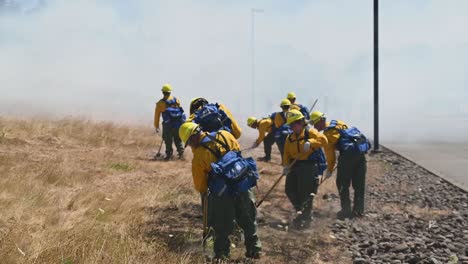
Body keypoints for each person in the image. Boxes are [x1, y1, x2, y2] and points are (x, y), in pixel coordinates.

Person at [178, 122, 262, 260]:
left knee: (222, 226)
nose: (191, 146)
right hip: (243, 184)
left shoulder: (199, 155)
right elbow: (237, 153)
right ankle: (255, 250)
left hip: (223, 194)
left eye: (189, 143)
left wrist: (206, 194)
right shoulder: (225, 135)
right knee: (248, 220)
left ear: (192, 138)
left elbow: (200, 185)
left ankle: (222, 256)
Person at [310, 111, 371, 219]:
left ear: (321, 121)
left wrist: (329, 170)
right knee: (359, 184)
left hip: (347, 157)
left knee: (342, 183)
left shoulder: (327, 135)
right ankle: (358, 211)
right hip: (360, 155)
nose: (314, 127)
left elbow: (331, 156)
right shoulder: (338, 123)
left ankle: (346, 210)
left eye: (315, 124)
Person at [282, 110, 328, 228]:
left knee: (305, 193)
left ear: (301, 122)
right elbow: (286, 153)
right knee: (289, 189)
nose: (293, 127)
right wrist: (286, 166)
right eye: (291, 125)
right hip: (294, 166)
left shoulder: (310, 132)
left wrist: (310, 142)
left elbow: (324, 140)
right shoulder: (290, 137)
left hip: (308, 166)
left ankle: (306, 217)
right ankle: (300, 211)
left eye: (294, 124)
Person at [153, 84, 186, 160]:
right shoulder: (176, 100)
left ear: (163, 92)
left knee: (168, 141)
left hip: (167, 125)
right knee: (178, 139)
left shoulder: (160, 103)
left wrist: (156, 126)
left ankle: (169, 156)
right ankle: (181, 154)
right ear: (170, 92)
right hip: (178, 124)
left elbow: (157, 116)